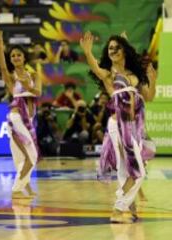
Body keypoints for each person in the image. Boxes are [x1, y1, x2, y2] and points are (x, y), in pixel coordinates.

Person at [80, 31, 157, 223]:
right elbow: (96, 69)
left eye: (117, 47)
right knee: (138, 170)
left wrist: (152, 79)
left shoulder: (134, 74)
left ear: (124, 50)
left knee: (126, 170)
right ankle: (118, 208)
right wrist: (88, 53)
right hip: (119, 125)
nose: (113, 50)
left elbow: (149, 97)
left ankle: (128, 210)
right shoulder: (109, 74)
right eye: (110, 48)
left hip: (135, 126)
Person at [0, 30, 42, 199]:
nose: (15, 58)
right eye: (13, 56)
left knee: (20, 156)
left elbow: (37, 93)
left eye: (18, 55)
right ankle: (16, 189)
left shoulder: (34, 75)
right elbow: (1, 65)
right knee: (32, 156)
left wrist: (27, 86)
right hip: (15, 118)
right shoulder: (10, 77)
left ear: (24, 58)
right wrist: (0, 46)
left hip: (29, 120)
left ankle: (26, 187)